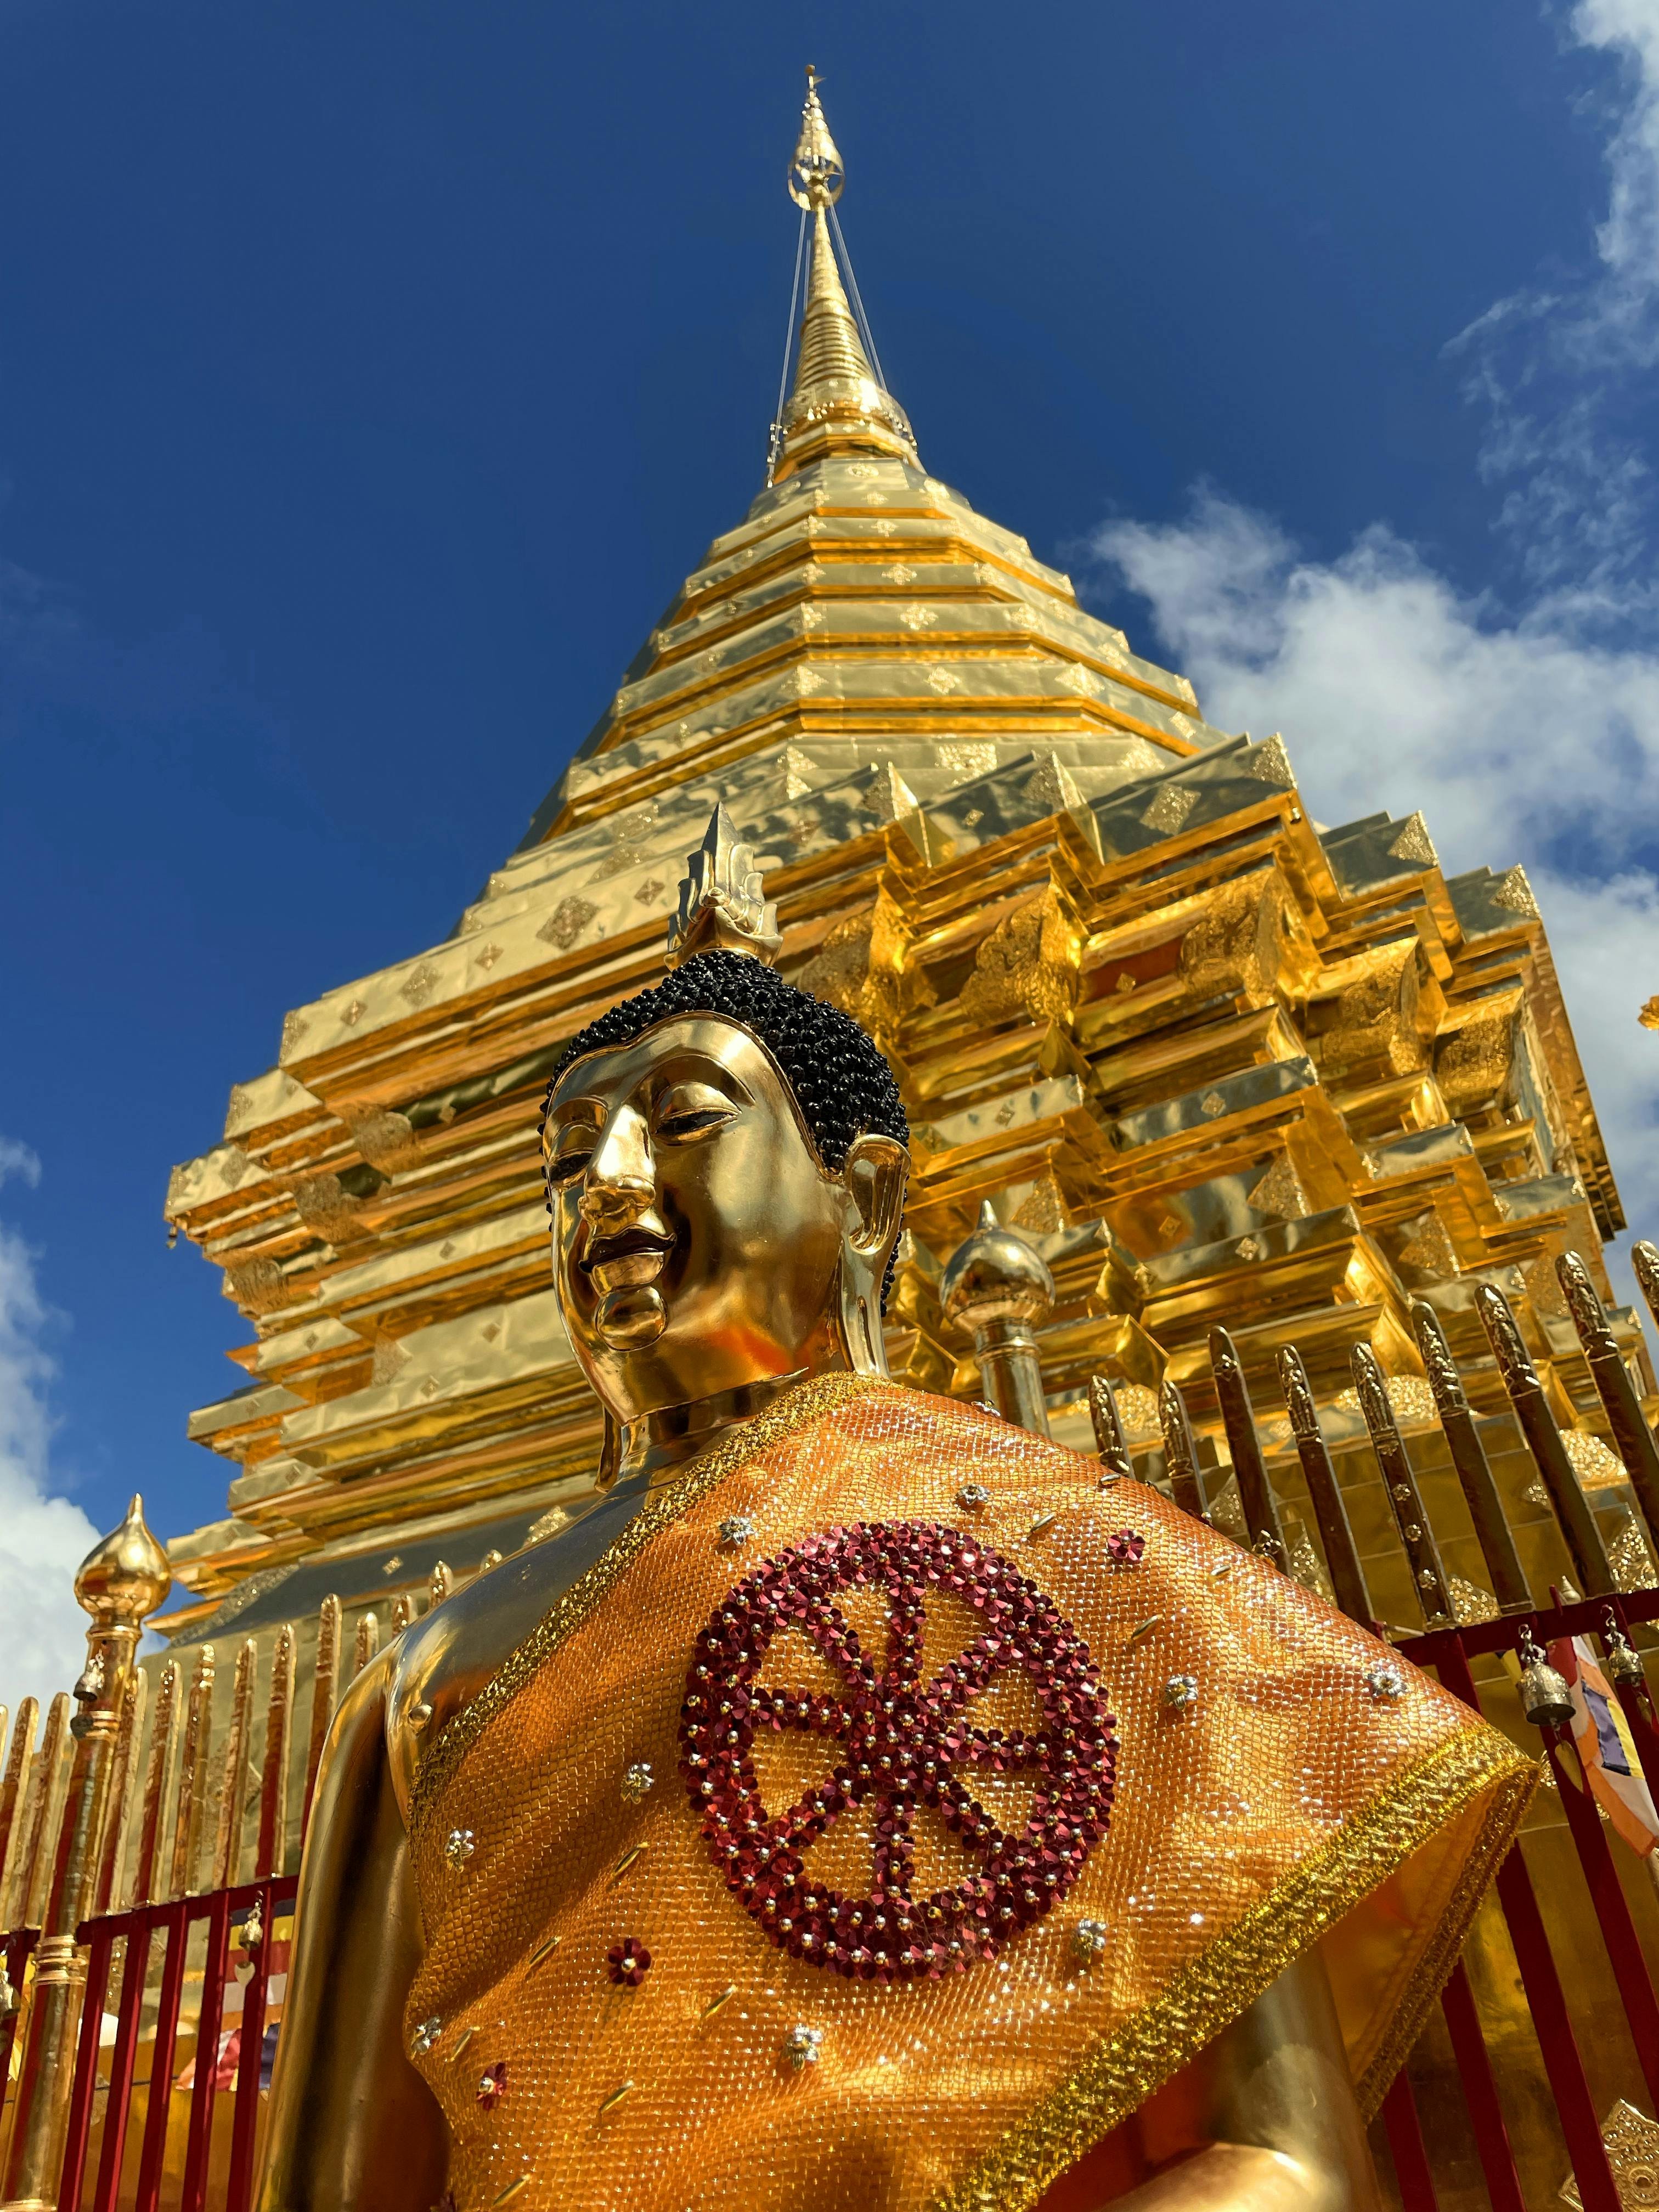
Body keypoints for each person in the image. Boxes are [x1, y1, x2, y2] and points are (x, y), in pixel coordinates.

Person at [258, 811, 1532, 2212]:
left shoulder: (1083, 1556)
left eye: (683, 1119)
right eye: (568, 1160)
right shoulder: (423, 1678)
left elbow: (1284, 2163)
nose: (608, 1183)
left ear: (863, 1198)